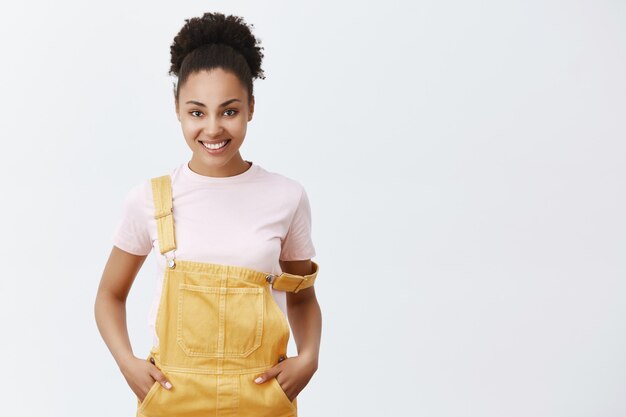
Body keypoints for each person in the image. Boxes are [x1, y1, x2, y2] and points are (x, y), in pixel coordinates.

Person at [94, 12, 322, 417]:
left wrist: (309, 358)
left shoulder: (286, 196)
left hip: (261, 400)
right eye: (197, 112)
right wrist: (127, 363)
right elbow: (109, 295)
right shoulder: (150, 198)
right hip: (171, 398)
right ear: (177, 109)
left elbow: (301, 295)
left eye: (229, 111)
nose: (213, 129)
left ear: (251, 107)